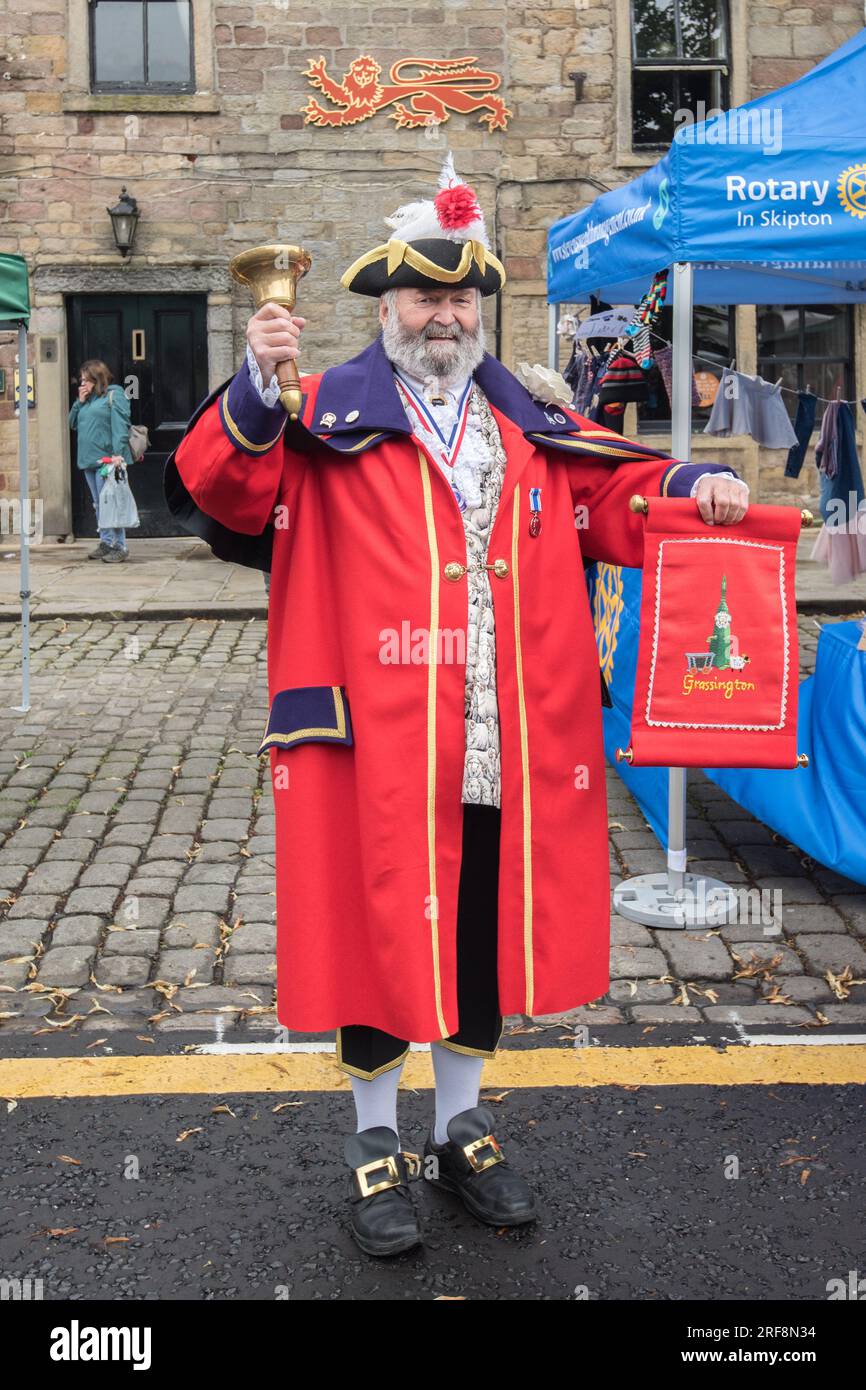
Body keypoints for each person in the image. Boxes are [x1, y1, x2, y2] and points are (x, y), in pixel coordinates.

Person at [164, 155, 748, 1258]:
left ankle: (462, 1123)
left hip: (508, 735)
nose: (444, 314)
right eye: (425, 296)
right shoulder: (319, 411)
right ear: (386, 308)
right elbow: (217, 488)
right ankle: (375, 1140)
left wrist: (690, 486)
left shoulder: (523, 415)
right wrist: (251, 381)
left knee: (480, 929)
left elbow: (611, 488)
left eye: (460, 297)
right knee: (380, 930)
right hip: (372, 738)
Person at [68, 359, 133, 562]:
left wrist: (117, 456)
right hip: (88, 461)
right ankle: (106, 542)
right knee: (99, 504)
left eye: (87, 380)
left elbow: (121, 427)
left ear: (98, 379)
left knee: (111, 503)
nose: (83, 384)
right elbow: (71, 423)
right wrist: (79, 401)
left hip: (107, 460)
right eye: (81, 381)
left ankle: (120, 545)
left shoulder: (115, 394)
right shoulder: (86, 400)